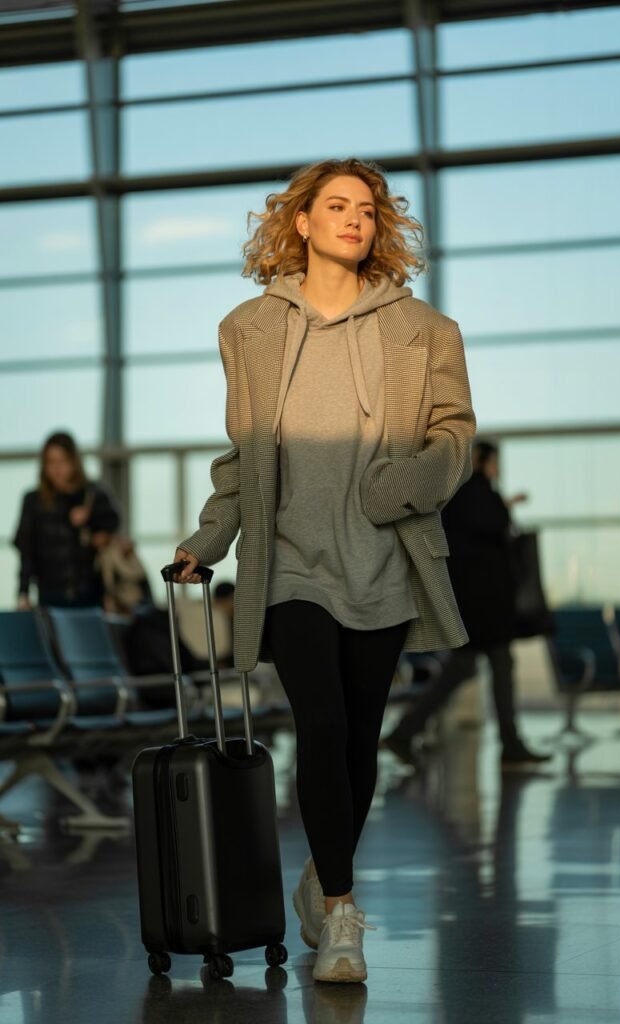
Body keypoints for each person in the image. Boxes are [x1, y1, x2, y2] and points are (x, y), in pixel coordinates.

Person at [171, 158, 475, 983]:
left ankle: (320, 873)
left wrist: (405, 484)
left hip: (383, 556)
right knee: (325, 725)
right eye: (336, 206)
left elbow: (455, 434)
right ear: (300, 222)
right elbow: (243, 456)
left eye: (367, 210)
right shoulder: (249, 329)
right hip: (292, 561)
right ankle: (343, 914)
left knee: (361, 741)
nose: (354, 220)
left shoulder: (425, 330)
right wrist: (209, 538)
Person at [384, 439, 552, 770]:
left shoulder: (455, 496)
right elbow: (494, 527)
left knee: (463, 668)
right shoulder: (481, 495)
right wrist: (504, 505)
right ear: (483, 462)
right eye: (494, 462)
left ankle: (405, 732)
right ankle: (510, 745)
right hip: (488, 609)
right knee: (499, 667)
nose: (497, 469)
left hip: (470, 606)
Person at [13, 431, 120, 609]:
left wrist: (89, 520)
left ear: (74, 461)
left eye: (62, 460)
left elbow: (111, 526)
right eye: (51, 462)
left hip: (92, 594)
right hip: (50, 596)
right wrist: (23, 592)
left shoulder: (93, 495)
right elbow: (26, 551)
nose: (57, 468)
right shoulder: (33, 501)